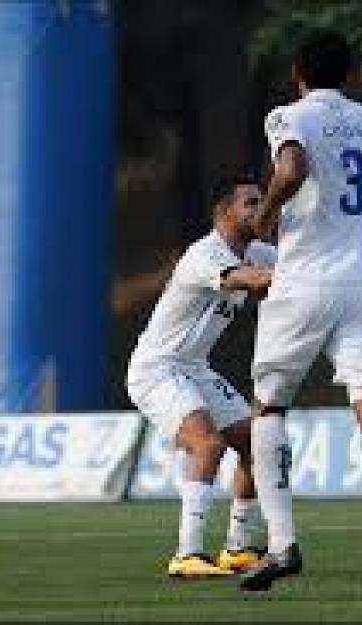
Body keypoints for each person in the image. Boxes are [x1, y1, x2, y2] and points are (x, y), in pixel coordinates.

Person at [239, 31, 362, 598]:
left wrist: (267, 216)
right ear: (350, 75)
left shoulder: (288, 114)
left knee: (270, 405)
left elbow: (293, 167)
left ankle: (282, 544)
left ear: (298, 72)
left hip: (301, 279)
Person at [127, 172, 275, 578]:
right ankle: (187, 554)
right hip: (157, 368)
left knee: (256, 445)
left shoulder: (259, 252)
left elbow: (293, 264)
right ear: (224, 211)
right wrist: (297, 279)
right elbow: (244, 279)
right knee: (208, 445)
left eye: (262, 200)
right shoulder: (204, 254)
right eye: (251, 202)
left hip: (193, 368)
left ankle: (238, 548)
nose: (260, 208)